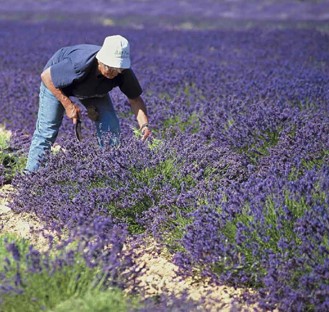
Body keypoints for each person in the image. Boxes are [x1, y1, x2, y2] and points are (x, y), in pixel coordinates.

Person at [25, 35, 151, 172]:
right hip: (55, 83)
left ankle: (112, 172)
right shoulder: (80, 64)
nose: (113, 72)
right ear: (100, 60)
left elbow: (135, 100)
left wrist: (144, 125)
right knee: (47, 131)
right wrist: (68, 105)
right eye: (110, 67)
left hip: (93, 89)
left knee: (110, 126)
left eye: (118, 69)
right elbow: (46, 76)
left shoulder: (123, 73)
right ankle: (30, 176)